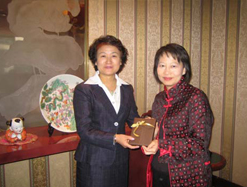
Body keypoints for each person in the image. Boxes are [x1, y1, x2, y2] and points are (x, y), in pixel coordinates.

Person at [142, 43, 214, 187]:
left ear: (184, 69)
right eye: (162, 65)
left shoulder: (195, 97)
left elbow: (199, 145)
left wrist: (160, 144)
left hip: (187, 174)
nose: (166, 71)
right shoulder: (159, 98)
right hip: (158, 170)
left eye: (173, 66)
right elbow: (163, 133)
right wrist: (151, 133)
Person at [73, 35, 140, 187]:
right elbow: (84, 130)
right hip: (94, 160)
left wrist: (149, 129)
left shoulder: (127, 88)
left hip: (120, 159)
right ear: (95, 61)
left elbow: (133, 119)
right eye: (103, 56)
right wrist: (115, 138)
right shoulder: (84, 89)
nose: (108, 61)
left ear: (121, 61)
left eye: (114, 56)